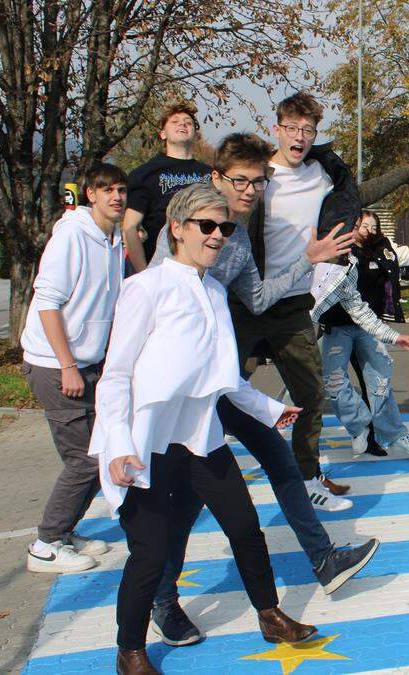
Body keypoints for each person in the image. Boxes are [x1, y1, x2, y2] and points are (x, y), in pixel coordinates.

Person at [147, 138, 378, 646]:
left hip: (222, 379)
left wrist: (307, 259)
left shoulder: (240, 239)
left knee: (276, 458)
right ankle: (162, 599)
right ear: (216, 178)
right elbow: (158, 297)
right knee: (187, 498)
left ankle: (322, 558)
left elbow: (255, 298)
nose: (250, 190)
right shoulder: (185, 226)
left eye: (258, 181)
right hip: (188, 391)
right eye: (240, 181)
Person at [90, 185, 314, 675]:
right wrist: (120, 446)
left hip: (200, 437)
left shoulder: (214, 290)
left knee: (246, 529)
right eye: (207, 226)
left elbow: (224, 375)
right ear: (177, 227)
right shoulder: (145, 288)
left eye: (225, 228)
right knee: (150, 555)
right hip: (145, 444)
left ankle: (270, 615)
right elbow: (116, 376)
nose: (218, 236)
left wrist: (269, 409)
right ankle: (130, 652)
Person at [235, 92, 409, 511]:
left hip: (295, 302)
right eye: (292, 128)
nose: (300, 137)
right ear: (277, 129)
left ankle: (308, 476)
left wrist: (408, 173)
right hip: (249, 298)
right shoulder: (257, 175)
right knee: (220, 385)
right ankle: (184, 462)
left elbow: (358, 194)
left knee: (310, 396)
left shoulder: (321, 174)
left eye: (308, 130)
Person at [20, 162, 127, 574]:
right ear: (90, 195)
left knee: (99, 452)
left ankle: (65, 532)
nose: (116, 196)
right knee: (84, 460)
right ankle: (45, 544)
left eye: (121, 189)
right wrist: (66, 365)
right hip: (54, 364)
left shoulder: (113, 238)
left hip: (88, 362)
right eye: (107, 190)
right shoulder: (71, 235)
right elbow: (47, 303)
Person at [317, 209, 409, 458]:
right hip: (337, 326)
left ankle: (393, 434)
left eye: (373, 226)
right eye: (363, 225)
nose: (368, 230)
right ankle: (359, 428)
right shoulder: (340, 252)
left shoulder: (384, 248)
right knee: (333, 381)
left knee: (379, 382)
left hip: (369, 325)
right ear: (353, 225)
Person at [123, 101, 212, 271]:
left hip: (202, 269)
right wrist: (145, 274)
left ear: (195, 134)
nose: (182, 124)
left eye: (188, 122)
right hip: (161, 266)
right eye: (175, 121)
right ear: (163, 134)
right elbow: (130, 227)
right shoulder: (145, 174)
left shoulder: (211, 175)